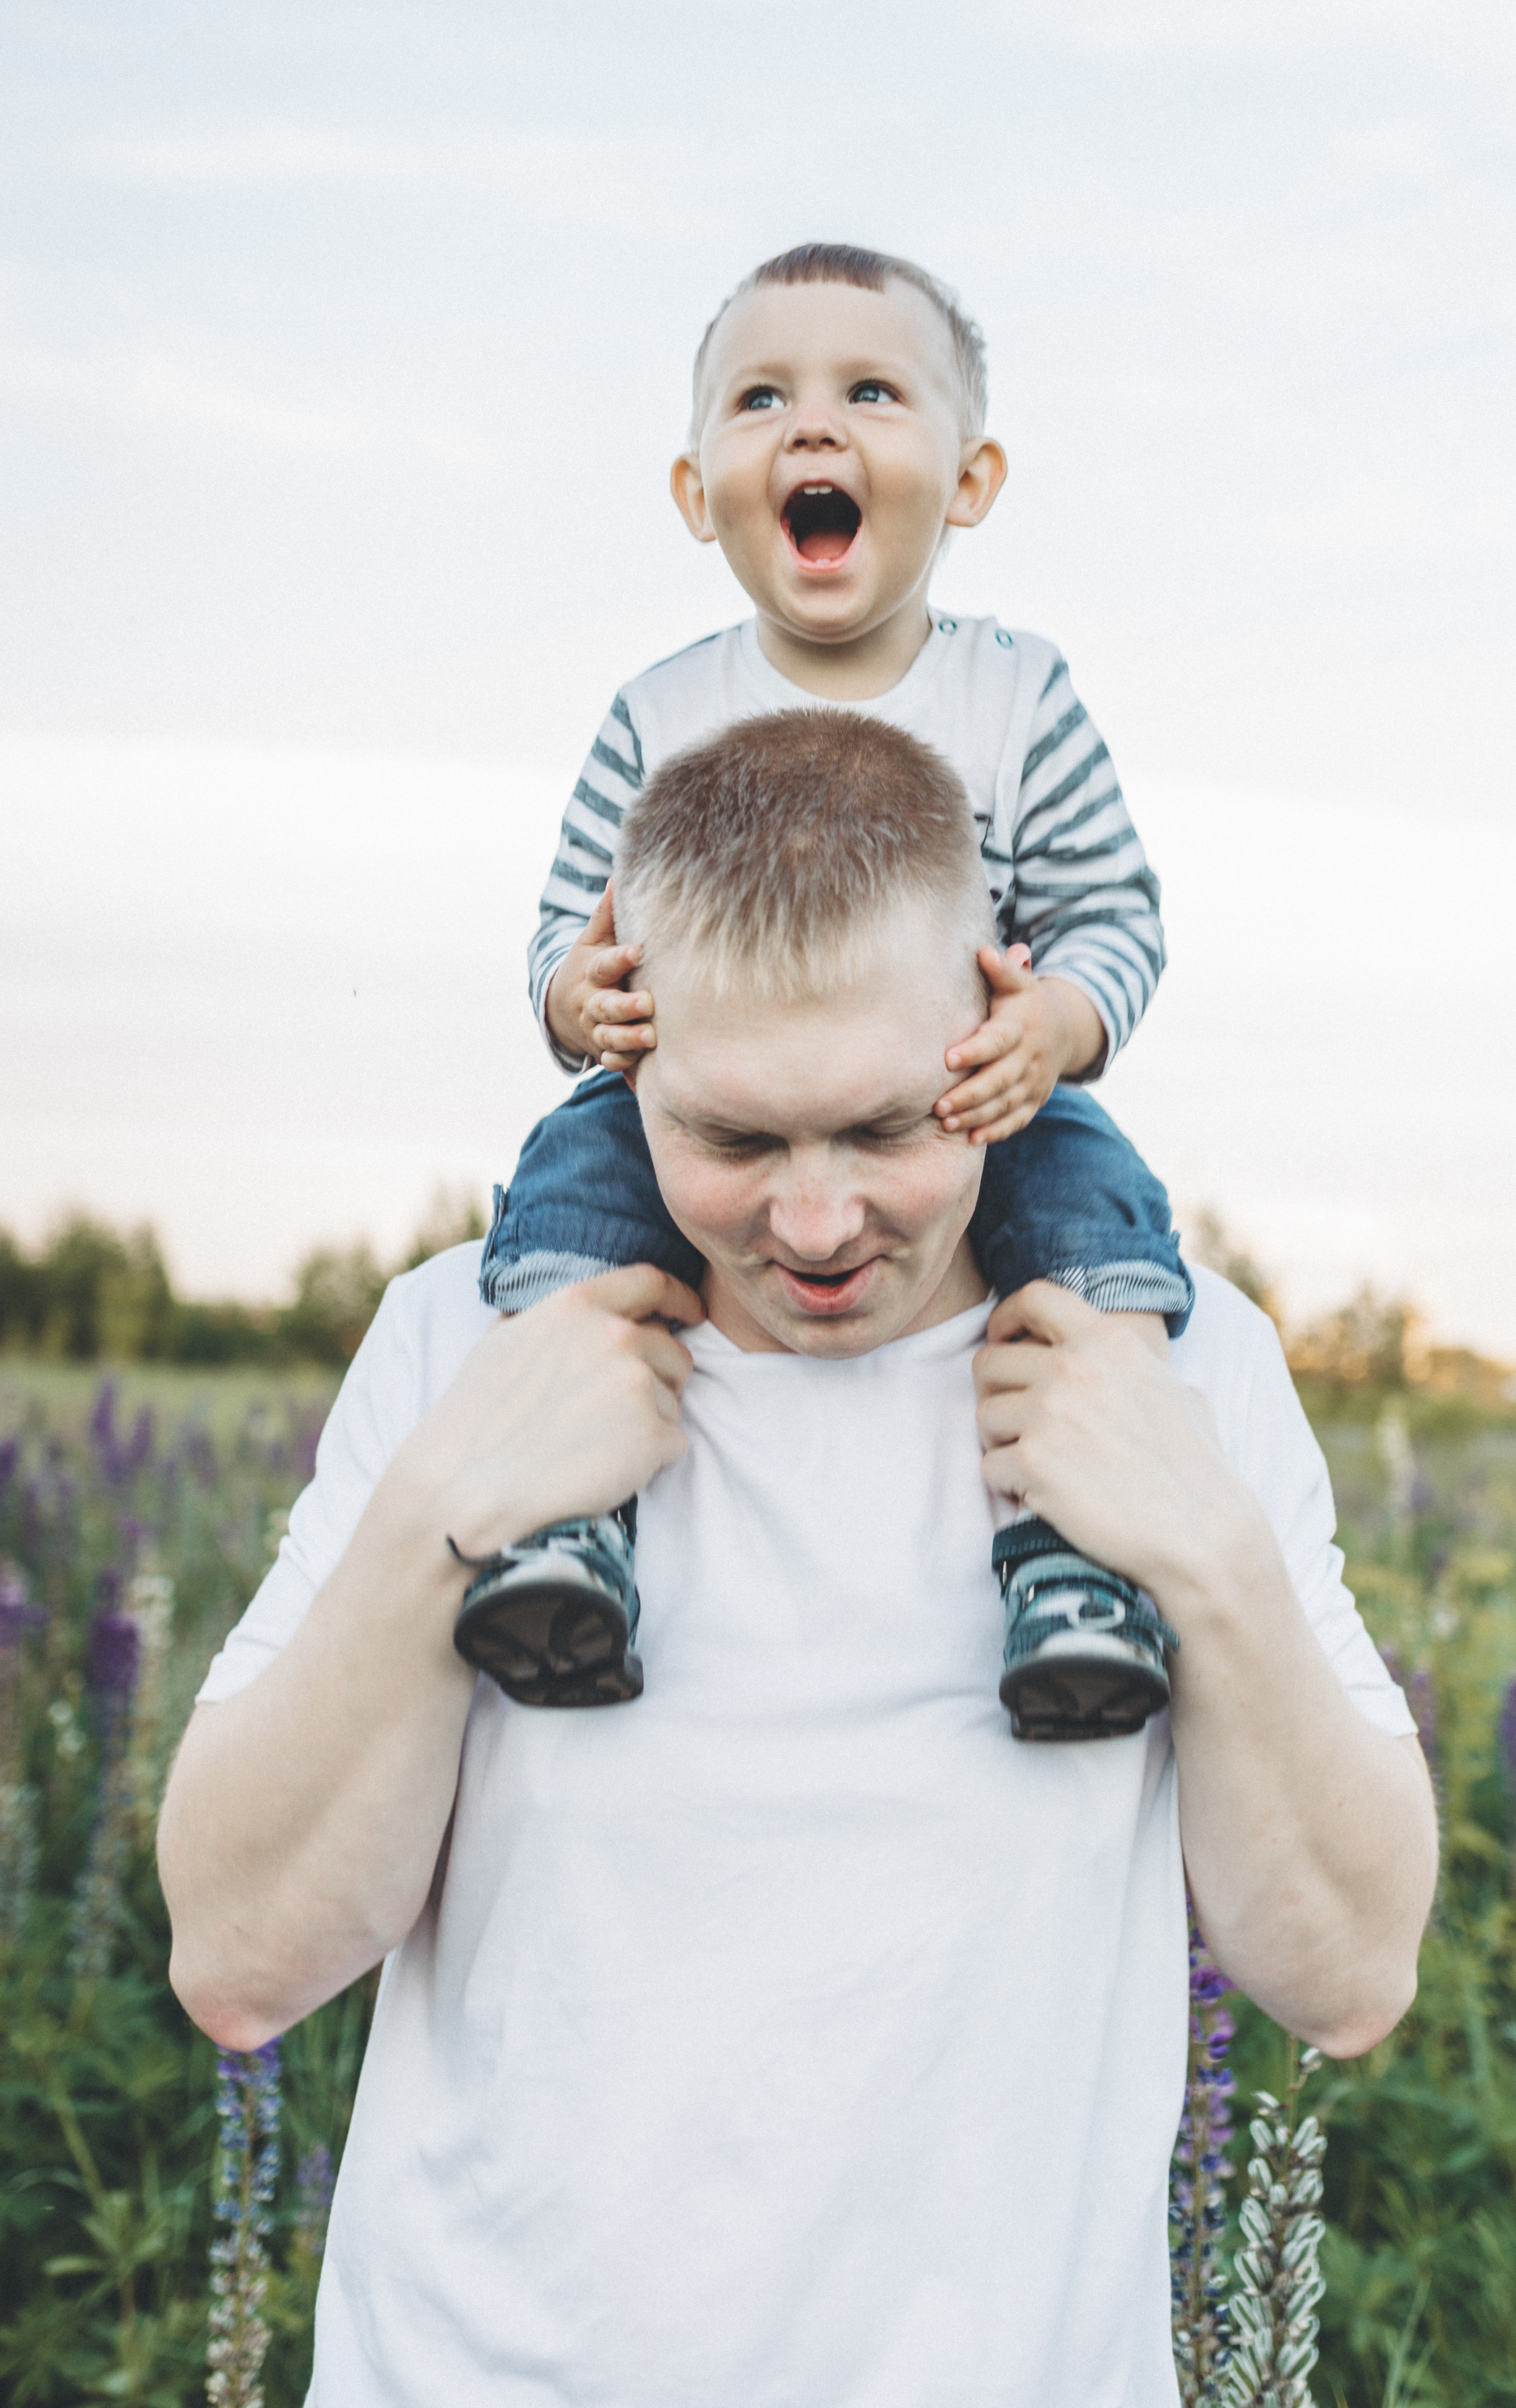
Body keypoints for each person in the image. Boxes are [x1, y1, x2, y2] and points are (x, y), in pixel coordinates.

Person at [158, 711, 1437, 2408]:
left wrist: (1203, 1555)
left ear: (998, 1032)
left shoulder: (1174, 1364)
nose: (819, 1223)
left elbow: (1346, 1982)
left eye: (891, 1130)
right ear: (627, 1059)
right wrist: (436, 1517)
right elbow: (238, 1961)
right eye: (736, 1142)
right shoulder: (458, 1340)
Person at [461, 239, 1189, 1722]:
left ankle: (1075, 1563)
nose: (811, 428)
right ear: (693, 494)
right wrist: (575, 999)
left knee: (1092, 1223)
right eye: (760, 398)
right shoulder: (662, 709)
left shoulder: (1015, 695)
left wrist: (1051, 1026)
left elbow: (1114, 911)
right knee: (568, 1200)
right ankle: (564, 1521)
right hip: (702, 1086)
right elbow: (564, 922)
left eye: (868, 389)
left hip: (953, 1088)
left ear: (969, 479)